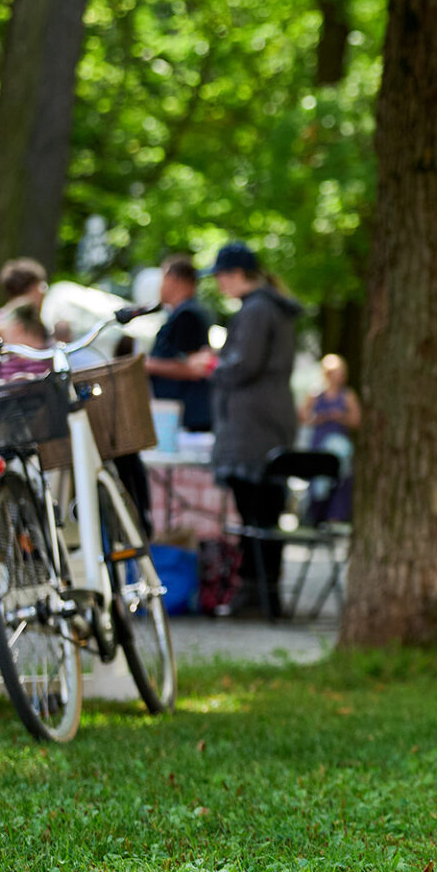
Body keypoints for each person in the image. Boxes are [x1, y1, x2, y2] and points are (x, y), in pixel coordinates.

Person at [204, 241, 301, 618]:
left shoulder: (258, 310)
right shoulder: (268, 308)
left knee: (257, 511)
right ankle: (262, 589)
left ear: (235, 275)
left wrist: (213, 367)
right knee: (262, 511)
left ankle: (259, 591)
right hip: (267, 421)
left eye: (220, 277)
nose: (219, 285)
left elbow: (246, 364)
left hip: (253, 426)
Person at [144, 256, 216, 432]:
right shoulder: (183, 314)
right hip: (182, 413)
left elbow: (195, 369)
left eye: (163, 278)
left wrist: (149, 365)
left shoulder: (187, 316)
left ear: (174, 280)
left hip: (187, 416)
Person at [298, 353, 360, 524]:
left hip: (339, 448)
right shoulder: (316, 394)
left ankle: (335, 518)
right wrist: (320, 418)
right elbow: (303, 416)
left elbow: (356, 421)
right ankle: (315, 517)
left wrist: (340, 417)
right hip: (319, 445)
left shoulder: (347, 396)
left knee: (340, 481)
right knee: (318, 483)